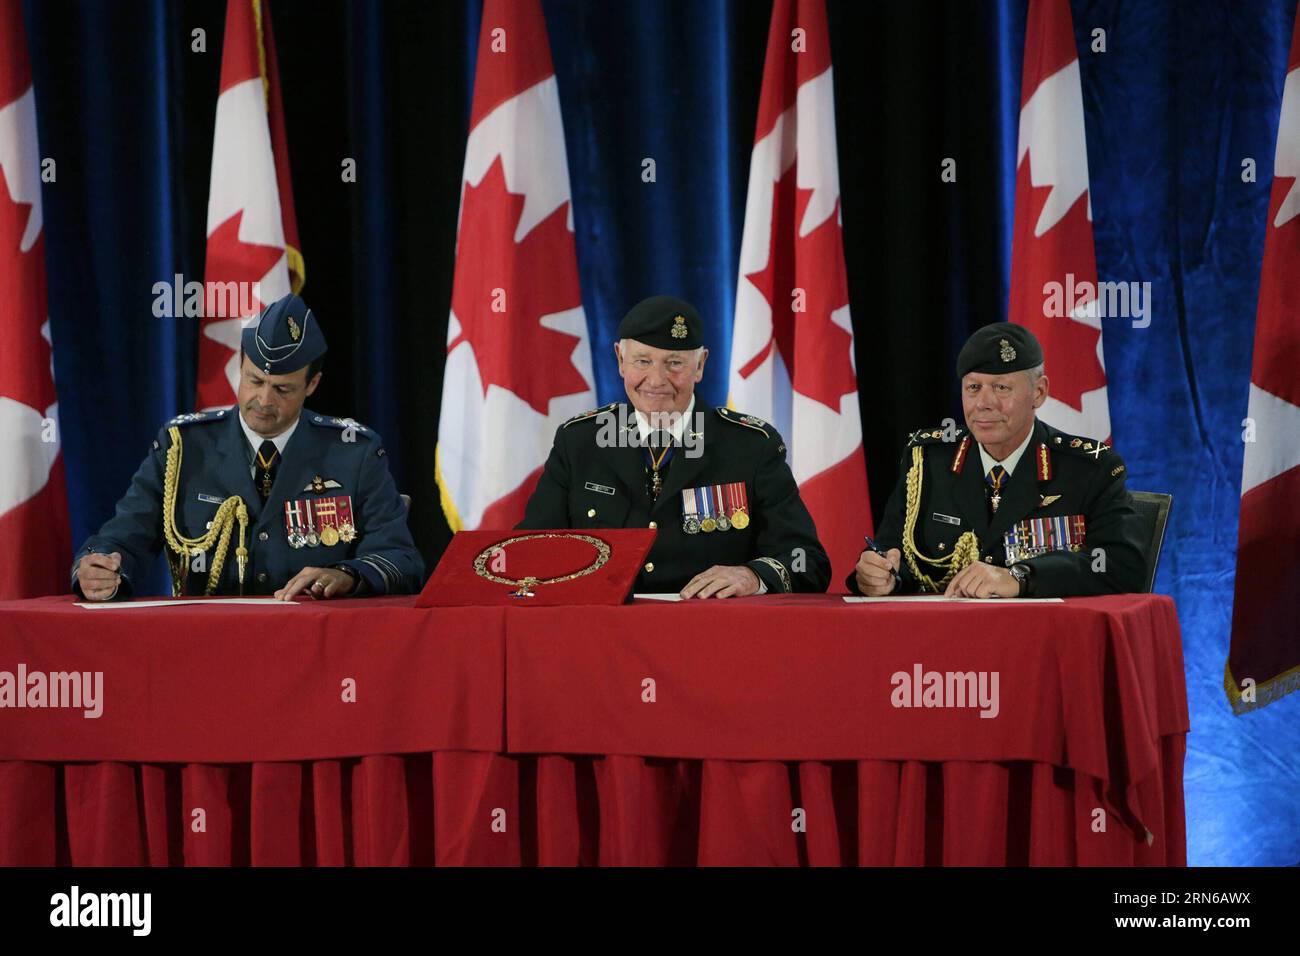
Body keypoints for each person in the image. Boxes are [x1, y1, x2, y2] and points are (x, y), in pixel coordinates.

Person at [72, 294, 424, 601]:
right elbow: (123, 537)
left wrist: (349, 575)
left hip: (315, 645)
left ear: (312, 384)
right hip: (207, 644)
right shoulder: (182, 447)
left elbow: (400, 558)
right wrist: (99, 567)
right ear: (239, 367)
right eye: (254, 380)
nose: (264, 400)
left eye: (283, 389)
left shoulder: (354, 453)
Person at [518, 295, 830, 597]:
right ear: (620, 360)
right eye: (643, 361)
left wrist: (753, 576)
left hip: (706, 635)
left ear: (700, 365)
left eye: (675, 363)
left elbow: (806, 560)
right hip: (603, 635)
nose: (656, 379)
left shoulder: (750, 447)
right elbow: (529, 549)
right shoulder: (580, 441)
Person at [850, 322, 1147, 599]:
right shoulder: (929, 462)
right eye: (973, 388)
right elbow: (895, 556)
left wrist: (1021, 577)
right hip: (944, 642)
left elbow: (1123, 566)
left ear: (1039, 392)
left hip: (1045, 644)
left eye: (1001, 387)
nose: (984, 403)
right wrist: (881, 577)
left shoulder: (1089, 469)